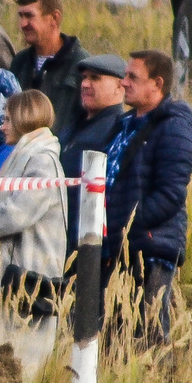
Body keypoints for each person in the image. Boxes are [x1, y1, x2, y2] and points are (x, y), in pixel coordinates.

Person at [0, 89, 67, 379]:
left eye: (7, 119)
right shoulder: (26, 156)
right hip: (8, 272)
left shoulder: (42, 160)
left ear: (23, 119)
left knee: (9, 370)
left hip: (23, 279)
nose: (1, 126)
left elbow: (15, 215)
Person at [109, 51, 192, 343]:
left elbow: (171, 193)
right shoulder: (124, 124)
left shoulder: (174, 125)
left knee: (149, 337)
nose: (123, 83)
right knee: (114, 335)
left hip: (151, 246)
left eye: (133, 77)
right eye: (125, 76)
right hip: (118, 245)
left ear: (157, 84)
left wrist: (131, 226)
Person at [61, 53, 131, 244]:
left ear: (120, 86)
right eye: (84, 77)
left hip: (86, 239)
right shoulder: (72, 126)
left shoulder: (118, 131)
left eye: (95, 78)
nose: (85, 84)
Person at [12, 0, 87, 142]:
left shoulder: (82, 67)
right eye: (21, 16)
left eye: (29, 16)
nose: (23, 24)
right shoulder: (19, 62)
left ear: (54, 18)